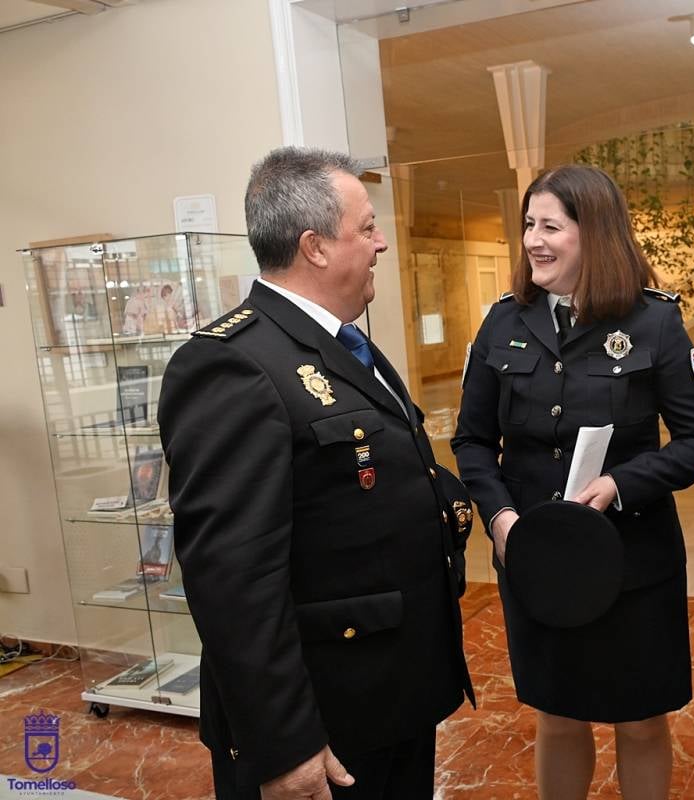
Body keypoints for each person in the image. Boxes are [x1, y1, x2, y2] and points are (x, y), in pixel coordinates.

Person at [158, 147, 473, 800]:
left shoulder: (344, 343)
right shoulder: (234, 365)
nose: (382, 242)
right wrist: (284, 744)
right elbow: (232, 577)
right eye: (366, 228)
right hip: (321, 727)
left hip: (389, 698)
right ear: (316, 247)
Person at [452, 164, 694, 799]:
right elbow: (471, 440)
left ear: (595, 233)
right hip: (536, 558)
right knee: (557, 713)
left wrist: (619, 484)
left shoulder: (653, 322)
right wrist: (499, 519)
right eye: (528, 225)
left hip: (633, 560)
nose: (533, 241)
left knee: (639, 719)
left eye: (551, 226)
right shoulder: (504, 322)